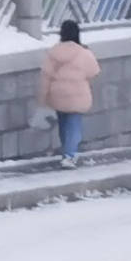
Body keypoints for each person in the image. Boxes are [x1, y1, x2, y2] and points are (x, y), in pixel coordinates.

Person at [38, 20, 98, 167]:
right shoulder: (83, 53)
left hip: (57, 94)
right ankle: (69, 155)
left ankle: (67, 151)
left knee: (63, 124)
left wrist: (43, 96)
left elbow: (46, 76)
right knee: (74, 126)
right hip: (77, 95)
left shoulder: (53, 53)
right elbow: (94, 71)